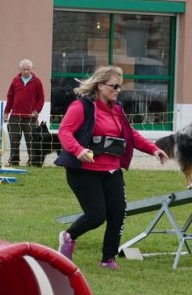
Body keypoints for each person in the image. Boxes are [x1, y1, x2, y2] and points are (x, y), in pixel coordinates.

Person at [54, 66, 168, 270]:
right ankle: (68, 236)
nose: (117, 90)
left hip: (112, 170)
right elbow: (64, 131)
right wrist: (78, 149)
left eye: (120, 87)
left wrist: (154, 149)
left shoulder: (117, 109)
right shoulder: (82, 107)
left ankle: (108, 259)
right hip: (84, 171)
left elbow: (130, 134)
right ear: (100, 86)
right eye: (113, 86)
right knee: (97, 215)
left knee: (118, 213)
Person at [4, 59, 45, 166]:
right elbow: (10, 97)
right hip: (15, 116)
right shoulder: (15, 80)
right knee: (14, 140)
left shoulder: (37, 81)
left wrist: (36, 111)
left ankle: (33, 161)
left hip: (30, 117)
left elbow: (41, 98)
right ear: (20, 69)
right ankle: (13, 161)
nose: (26, 71)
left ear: (31, 69)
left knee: (31, 140)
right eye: (24, 69)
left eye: (28, 69)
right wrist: (6, 112)